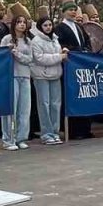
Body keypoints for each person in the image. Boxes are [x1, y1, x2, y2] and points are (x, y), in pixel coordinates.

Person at [53, 0, 93, 139]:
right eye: (70, 10)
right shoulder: (60, 28)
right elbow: (60, 45)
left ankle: (85, 128)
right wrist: (76, 51)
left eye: (74, 10)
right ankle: (74, 130)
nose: (73, 12)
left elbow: (87, 43)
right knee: (72, 97)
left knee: (84, 95)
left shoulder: (79, 27)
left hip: (81, 68)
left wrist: (86, 51)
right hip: (70, 68)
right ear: (64, 12)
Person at [0, 12, 34, 151]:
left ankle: (21, 138)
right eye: (19, 22)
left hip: (25, 76)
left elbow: (29, 59)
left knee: (24, 109)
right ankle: (8, 139)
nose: (22, 24)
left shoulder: (28, 41)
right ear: (14, 24)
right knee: (11, 109)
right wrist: (8, 51)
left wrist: (16, 53)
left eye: (24, 22)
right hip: (11, 76)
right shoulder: (6, 39)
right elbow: (0, 57)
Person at [30, 17, 67, 145]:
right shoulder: (36, 41)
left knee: (55, 104)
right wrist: (59, 56)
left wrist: (63, 51)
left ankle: (55, 132)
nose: (48, 27)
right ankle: (46, 134)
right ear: (41, 27)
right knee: (44, 105)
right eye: (45, 25)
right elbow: (40, 58)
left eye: (50, 25)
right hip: (41, 76)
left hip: (55, 74)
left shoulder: (55, 39)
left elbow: (57, 53)